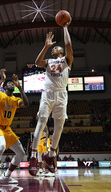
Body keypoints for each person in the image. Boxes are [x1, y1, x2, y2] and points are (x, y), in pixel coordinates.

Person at [29, 19, 73, 176]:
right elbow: (37, 62)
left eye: (56, 47)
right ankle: (33, 156)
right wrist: (45, 46)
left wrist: (65, 28)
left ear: (61, 52)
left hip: (61, 93)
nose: (54, 48)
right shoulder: (48, 61)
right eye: (52, 48)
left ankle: (51, 155)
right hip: (48, 92)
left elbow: (68, 46)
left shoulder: (67, 61)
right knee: (41, 122)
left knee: (60, 126)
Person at [0, 69, 29, 186]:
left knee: (21, 153)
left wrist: (20, 88)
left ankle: (6, 176)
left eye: (12, 83)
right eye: (8, 83)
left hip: (7, 129)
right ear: (4, 87)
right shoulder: (0, 95)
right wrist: (1, 80)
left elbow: (26, 104)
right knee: (2, 146)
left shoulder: (15, 99)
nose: (11, 84)